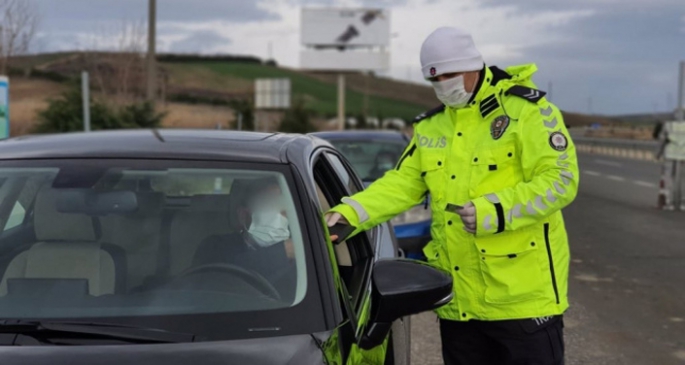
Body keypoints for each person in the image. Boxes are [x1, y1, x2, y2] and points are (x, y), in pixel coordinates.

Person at [325, 26, 579, 365]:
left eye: (451, 74)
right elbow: (402, 184)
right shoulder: (430, 127)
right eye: (435, 79)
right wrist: (350, 213)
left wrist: (495, 212)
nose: (444, 85)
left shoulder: (527, 111)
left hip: (523, 302)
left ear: (474, 65)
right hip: (459, 307)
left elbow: (561, 180)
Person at [193, 178, 295, 296]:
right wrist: (282, 252)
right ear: (243, 215)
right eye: (269, 208)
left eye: (283, 210)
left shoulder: (301, 255)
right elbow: (213, 279)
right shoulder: (214, 246)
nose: (280, 217)